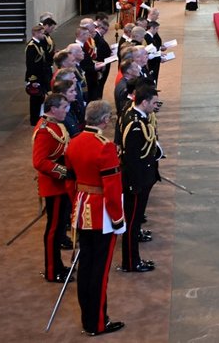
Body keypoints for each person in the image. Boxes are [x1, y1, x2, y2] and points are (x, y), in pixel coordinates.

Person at [65, 100, 125, 337]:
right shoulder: (105, 147)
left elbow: (70, 181)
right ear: (104, 120)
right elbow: (112, 188)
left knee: (86, 267)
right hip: (102, 215)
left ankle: (88, 318)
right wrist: (118, 219)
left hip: (81, 209)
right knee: (99, 272)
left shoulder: (74, 142)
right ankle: (98, 323)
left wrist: (78, 202)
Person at [118, 86, 161, 272]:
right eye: (153, 103)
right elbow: (133, 158)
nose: (155, 106)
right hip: (136, 182)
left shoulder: (138, 117)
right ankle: (130, 261)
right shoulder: (135, 124)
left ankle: (133, 259)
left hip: (143, 177)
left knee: (134, 222)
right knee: (132, 223)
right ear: (144, 102)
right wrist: (135, 185)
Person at [32, 92, 72, 282]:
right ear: (53, 109)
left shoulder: (55, 125)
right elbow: (39, 161)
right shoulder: (44, 130)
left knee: (58, 228)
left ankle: (58, 265)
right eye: (64, 107)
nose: (67, 110)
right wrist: (64, 172)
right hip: (54, 186)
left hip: (61, 185)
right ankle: (52, 270)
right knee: (54, 230)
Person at [26, 23, 54, 126]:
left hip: (41, 75)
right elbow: (30, 65)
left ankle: (38, 117)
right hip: (36, 77)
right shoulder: (31, 46)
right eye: (41, 33)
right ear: (36, 33)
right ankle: (34, 120)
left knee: (40, 98)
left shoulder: (39, 43)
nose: (43, 35)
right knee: (35, 100)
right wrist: (33, 80)